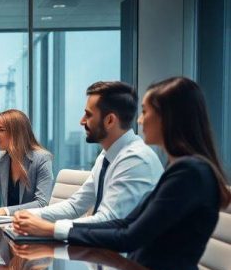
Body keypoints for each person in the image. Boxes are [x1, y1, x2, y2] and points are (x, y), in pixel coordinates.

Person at [14, 77, 231, 270]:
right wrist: (33, 221)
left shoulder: (185, 172)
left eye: (146, 112)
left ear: (168, 118)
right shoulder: (180, 169)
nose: (139, 119)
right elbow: (125, 223)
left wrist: (50, 229)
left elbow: (129, 236)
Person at [11, 81, 164, 240]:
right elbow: (75, 205)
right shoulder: (106, 156)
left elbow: (109, 221)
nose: (82, 121)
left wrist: (51, 229)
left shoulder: (135, 160)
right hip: (103, 253)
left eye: (88, 114)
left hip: (128, 260)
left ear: (110, 120)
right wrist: (26, 215)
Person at [0, 109, 54, 216]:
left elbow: (41, 204)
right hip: (7, 225)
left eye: (1, 130)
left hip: (30, 226)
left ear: (17, 133)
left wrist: (4, 211)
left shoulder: (42, 159)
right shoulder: (0, 158)